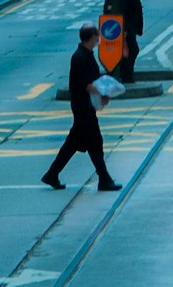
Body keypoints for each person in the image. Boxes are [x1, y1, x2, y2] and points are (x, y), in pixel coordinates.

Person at [41, 25, 122, 192]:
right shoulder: (79, 58)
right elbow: (87, 85)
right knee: (95, 142)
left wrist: (104, 95)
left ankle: (52, 174)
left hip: (84, 105)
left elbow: (94, 80)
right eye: (97, 36)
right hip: (82, 106)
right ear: (91, 37)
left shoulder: (87, 55)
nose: (99, 39)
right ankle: (104, 179)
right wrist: (102, 94)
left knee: (73, 144)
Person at [104, 0, 144, 82]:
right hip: (126, 29)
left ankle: (126, 75)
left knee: (130, 51)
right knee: (132, 51)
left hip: (129, 28)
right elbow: (124, 10)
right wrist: (125, 29)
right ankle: (126, 76)